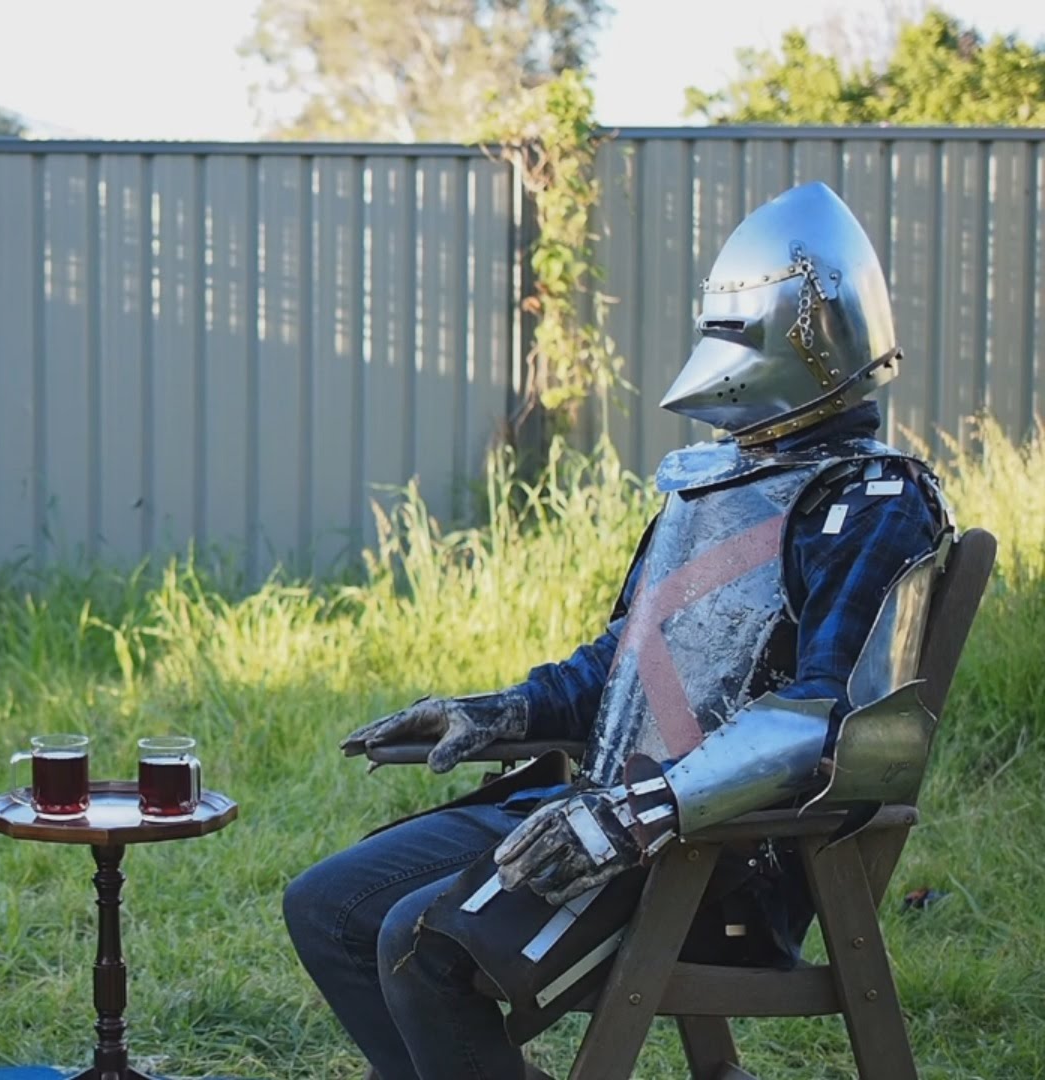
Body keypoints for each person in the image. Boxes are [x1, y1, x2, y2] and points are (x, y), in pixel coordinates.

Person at [283, 181, 956, 1080]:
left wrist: (637, 812)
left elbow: (834, 722)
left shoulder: (875, 500)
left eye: (739, 329)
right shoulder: (715, 484)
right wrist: (496, 712)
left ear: (807, 338)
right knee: (326, 905)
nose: (720, 353)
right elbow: (626, 668)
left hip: (726, 857)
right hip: (608, 811)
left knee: (420, 944)